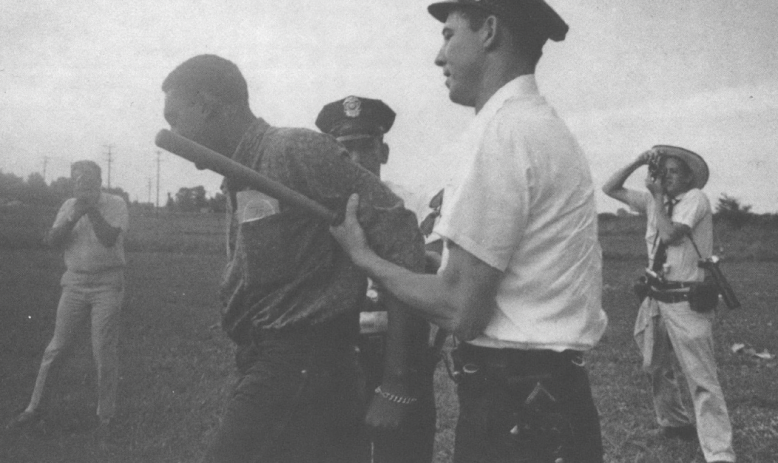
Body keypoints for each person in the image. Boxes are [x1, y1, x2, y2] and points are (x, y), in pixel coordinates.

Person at [330, 1, 608, 461]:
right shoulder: (540, 124)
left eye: (448, 35)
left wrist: (365, 258)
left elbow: (461, 310)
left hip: (514, 404)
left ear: (490, 31)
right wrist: (423, 260)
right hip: (552, 392)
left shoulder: (498, 132)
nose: (439, 57)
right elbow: (509, 268)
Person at [160, 54, 427, 463]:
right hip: (275, 364)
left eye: (177, 117)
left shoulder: (292, 150)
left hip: (299, 364)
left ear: (208, 102)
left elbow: (403, 237)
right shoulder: (240, 173)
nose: (173, 132)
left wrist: (396, 380)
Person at [316, 96, 437, 463]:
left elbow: (436, 265)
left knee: (403, 453)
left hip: (399, 346)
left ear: (382, 151)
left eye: (364, 147)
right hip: (338, 346)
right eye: (343, 149)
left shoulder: (414, 203)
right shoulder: (317, 205)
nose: (354, 160)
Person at [602, 145, 735, 463]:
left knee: (701, 378)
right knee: (654, 364)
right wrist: (637, 162)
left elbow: (672, 233)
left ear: (690, 178)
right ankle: (674, 422)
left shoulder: (695, 200)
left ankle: (719, 453)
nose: (666, 177)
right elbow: (610, 188)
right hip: (656, 297)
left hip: (687, 299)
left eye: (674, 172)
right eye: (663, 171)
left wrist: (656, 198)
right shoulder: (654, 200)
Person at [6, 160, 129, 442]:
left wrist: (91, 210)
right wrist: (74, 215)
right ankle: (34, 409)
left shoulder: (116, 203)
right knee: (57, 348)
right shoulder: (68, 205)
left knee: (103, 350)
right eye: (77, 180)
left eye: (87, 180)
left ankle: (105, 417)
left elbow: (110, 239)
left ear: (100, 182)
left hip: (108, 283)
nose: (81, 185)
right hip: (74, 282)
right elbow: (52, 241)